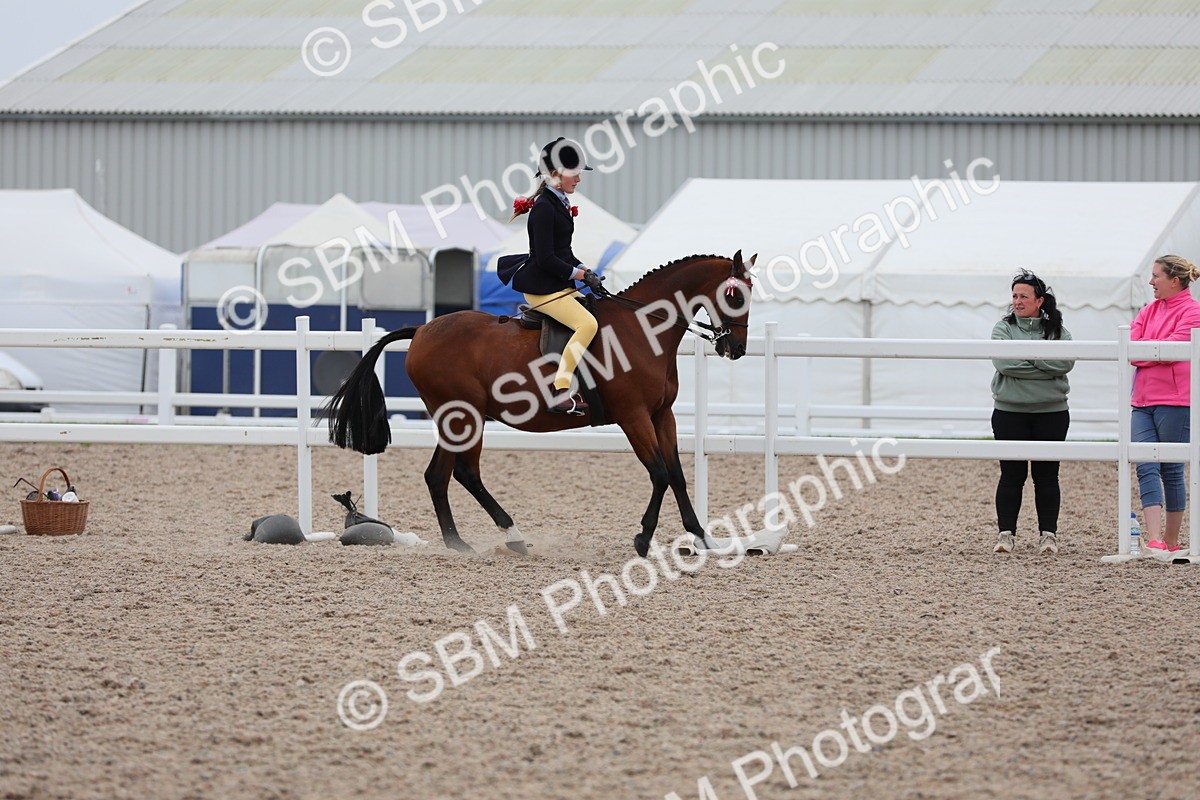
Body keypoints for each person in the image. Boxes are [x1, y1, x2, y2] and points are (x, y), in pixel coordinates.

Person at [509, 137, 604, 415]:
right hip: (541, 288)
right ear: (555, 174)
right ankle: (561, 389)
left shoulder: (559, 204)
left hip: (556, 283)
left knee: (597, 310)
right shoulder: (543, 207)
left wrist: (585, 270)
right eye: (575, 173)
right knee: (587, 325)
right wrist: (578, 275)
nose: (579, 179)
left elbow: (565, 252)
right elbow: (546, 258)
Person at [990, 271, 1075, 555]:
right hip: (1009, 412)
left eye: (1023, 296)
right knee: (1011, 475)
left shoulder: (1058, 331)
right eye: (1014, 296)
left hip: (1051, 413)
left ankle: (1048, 535)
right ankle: (1006, 534)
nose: (1017, 301)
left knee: (1047, 476)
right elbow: (1005, 364)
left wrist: (1026, 356)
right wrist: (1044, 363)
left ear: (1039, 300)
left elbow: (1065, 363)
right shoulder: (1003, 328)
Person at [1129, 255, 1200, 553]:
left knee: (1171, 468)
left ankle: (1171, 541)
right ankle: (1155, 538)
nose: (1151, 281)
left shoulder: (1194, 311)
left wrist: (1148, 352)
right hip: (1141, 400)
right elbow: (1131, 348)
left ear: (1175, 280)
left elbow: (1174, 348)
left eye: (1156, 275)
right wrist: (1153, 353)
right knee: (1145, 465)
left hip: (1176, 401)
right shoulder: (1148, 310)